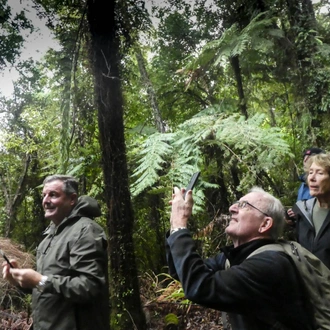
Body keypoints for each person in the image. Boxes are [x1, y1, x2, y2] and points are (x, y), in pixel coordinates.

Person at [166, 186, 316, 330]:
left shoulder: (270, 264)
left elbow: (200, 287)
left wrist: (180, 226)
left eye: (244, 205)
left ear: (265, 224)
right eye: (237, 203)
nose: (232, 208)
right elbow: (182, 272)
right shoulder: (235, 258)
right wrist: (174, 225)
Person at [2, 175, 110, 330]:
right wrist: (19, 280)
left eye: (53, 195)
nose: (46, 201)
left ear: (72, 199)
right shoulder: (49, 236)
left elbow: (89, 287)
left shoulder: (85, 230)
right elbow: (47, 287)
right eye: (44, 195)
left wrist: (40, 280)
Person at [290, 153, 330, 269]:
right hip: (308, 283)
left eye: (320, 173)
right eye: (310, 172)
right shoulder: (302, 210)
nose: (312, 178)